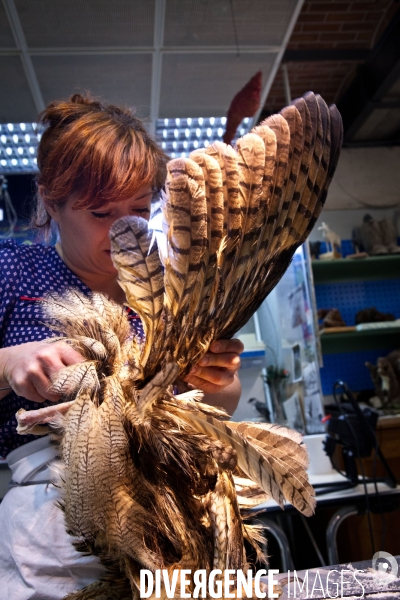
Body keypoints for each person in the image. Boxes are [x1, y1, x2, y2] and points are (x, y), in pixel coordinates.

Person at [0, 94, 243, 599]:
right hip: (52, 531)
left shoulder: (167, 295)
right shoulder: (13, 273)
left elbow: (218, 404)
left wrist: (217, 379)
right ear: (50, 201)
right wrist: (11, 363)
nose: (121, 229)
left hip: (168, 521)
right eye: (100, 211)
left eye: (137, 209)